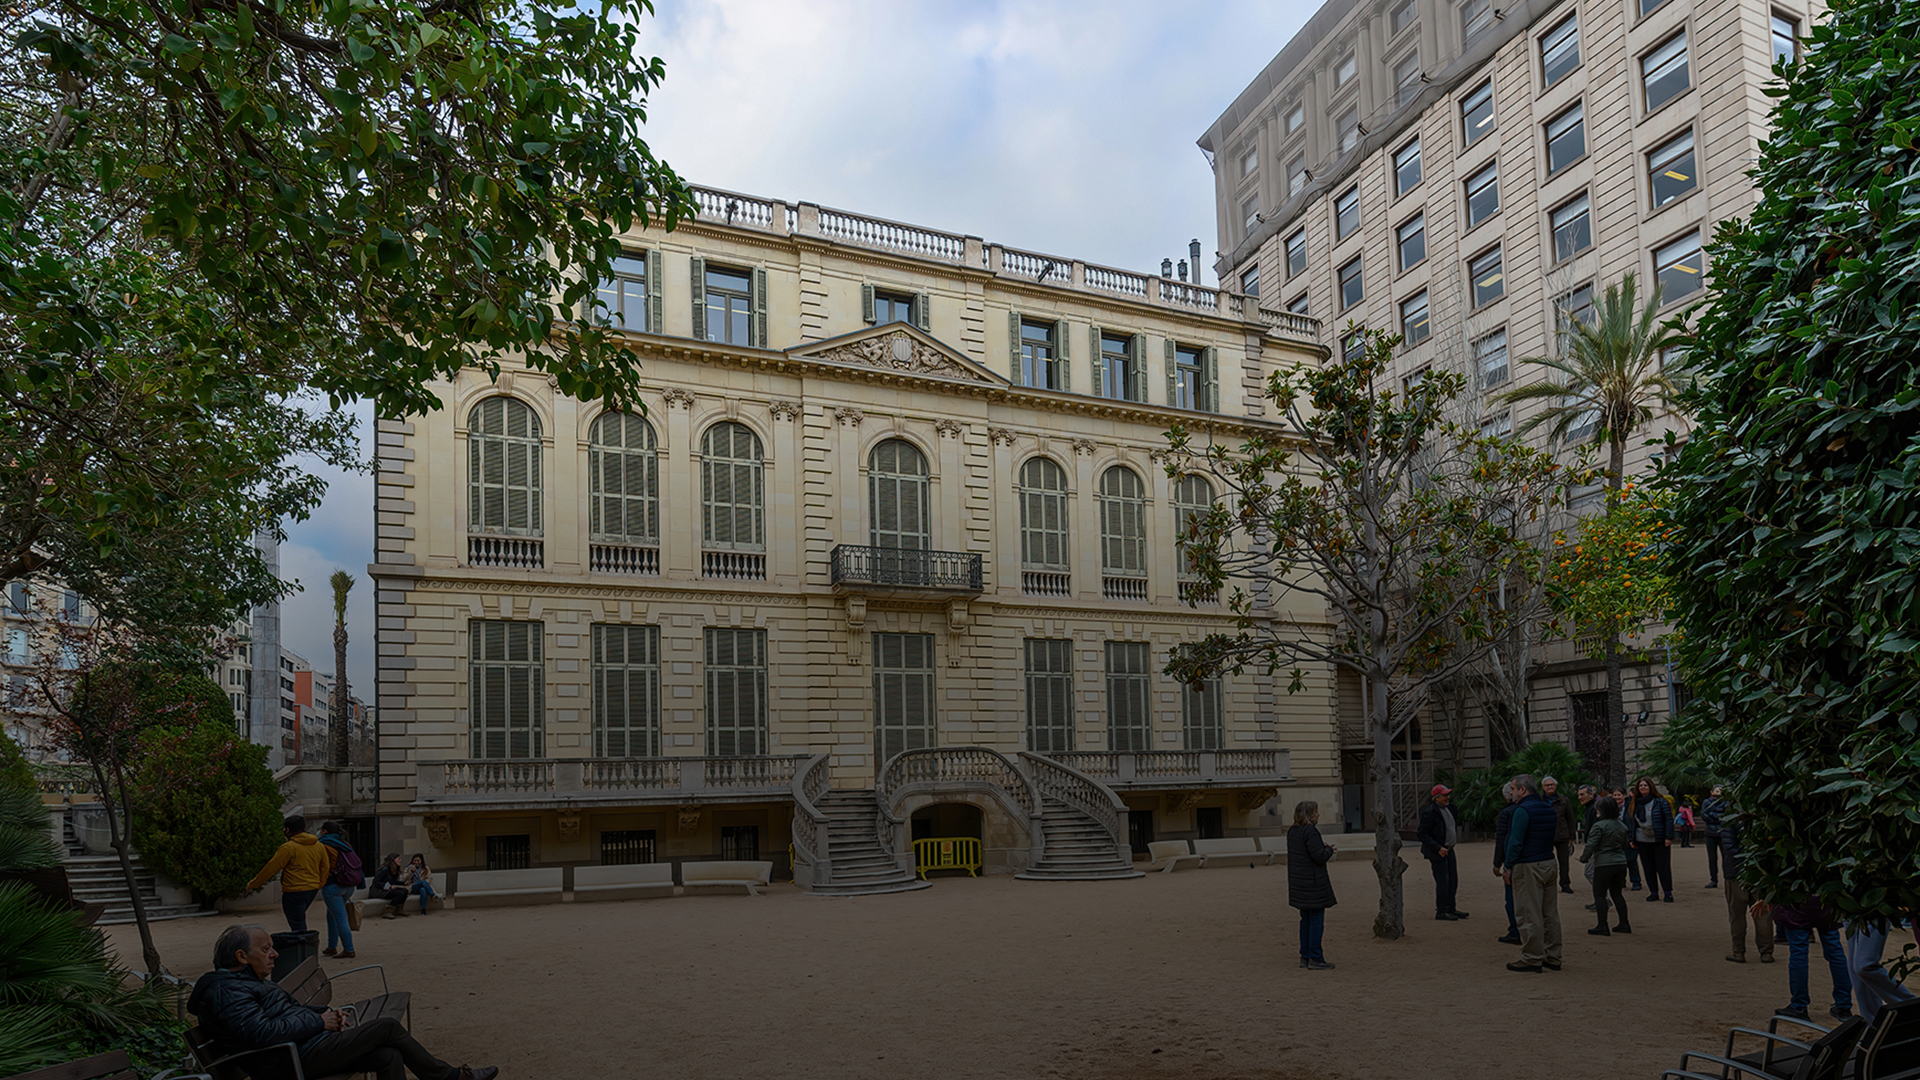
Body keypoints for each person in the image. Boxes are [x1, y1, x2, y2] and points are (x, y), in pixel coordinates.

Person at [190, 924, 497, 1080]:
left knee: (388, 1056)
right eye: (266, 949)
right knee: (387, 1027)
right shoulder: (224, 992)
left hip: (301, 1049)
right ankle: (452, 1077)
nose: (275, 954)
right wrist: (318, 1021)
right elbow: (260, 1033)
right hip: (286, 1062)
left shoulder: (243, 983)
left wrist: (323, 1012)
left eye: (273, 947)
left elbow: (282, 1014)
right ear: (241, 957)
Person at [1501, 773, 1563, 973]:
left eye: (1513, 788)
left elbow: (1515, 842)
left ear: (1522, 789)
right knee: (1549, 913)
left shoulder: (1522, 810)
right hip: (1548, 862)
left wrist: (1508, 866)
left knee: (1529, 914)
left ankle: (1532, 957)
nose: (1511, 792)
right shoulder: (1548, 808)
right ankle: (1553, 956)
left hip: (1528, 865)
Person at [245, 815, 335, 934]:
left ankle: (303, 950)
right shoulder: (318, 845)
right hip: (312, 888)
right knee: (299, 919)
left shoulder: (288, 847)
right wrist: (319, 884)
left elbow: (271, 869)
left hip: (294, 890)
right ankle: (303, 948)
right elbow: (325, 867)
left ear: (287, 830)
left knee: (297, 925)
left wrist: (253, 884)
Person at [1770, 897, 1854, 1021]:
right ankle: (1843, 1006)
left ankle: (1799, 1006)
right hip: (1825, 903)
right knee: (1835, 953)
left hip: (1797, 905)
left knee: (1798, 954)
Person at [1286, 801, 1337, 970]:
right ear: (1309, 815)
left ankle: (1305, 955)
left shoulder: (1293, 832)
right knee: (1316, 920)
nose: (1318, 815)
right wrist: (1329, 850)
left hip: (1299, 883)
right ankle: (1315, 957)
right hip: (1313, 883)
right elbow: (1319, 857)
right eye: (1315, 812)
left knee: (1305, 920)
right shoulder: (1311, 832)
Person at [1720, 812, 1774, 964]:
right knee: (1763, 914)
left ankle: (1738, 952)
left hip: (1735, 873)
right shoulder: (1764, 816)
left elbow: (1729, 847)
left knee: (1736, 915)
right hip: (1760, 871)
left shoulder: (1729, 819)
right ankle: (1766, 952)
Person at [1579, 795, 1631, 936]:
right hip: (1620, 862)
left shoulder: (1599, 826)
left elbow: (1591, 845)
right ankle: (1624, 923)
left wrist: (1584, 858)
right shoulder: (1622, 825)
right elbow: (1624, 844)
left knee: (1600, 894)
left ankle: (1602, 925)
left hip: (1604, 863)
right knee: (1617, 893)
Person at [1846, 921, 1918, 1023]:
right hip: (1849, 913)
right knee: (1855, 968)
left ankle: (1910, 1005)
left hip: (1874, 911)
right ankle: (1873, 1023)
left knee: (1864, 965)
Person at [1417, 784, 1468, 921]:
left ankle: (1451, 908)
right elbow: (1422, 833)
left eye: (1448, 794)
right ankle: (1442, 911)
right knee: (1443, 882)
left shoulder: (1449, 809)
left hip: (1450, 850)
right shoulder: (1430, 812)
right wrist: (1437, 847)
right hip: (1439, 852)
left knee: (1453, 881)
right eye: (1444, 795)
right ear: (1436, 797)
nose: (1448, 797)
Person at [316, 822, 360, 960]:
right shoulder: (345, 844)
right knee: (332, 915)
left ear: (324, 831)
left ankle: (349, 949)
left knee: (340, 918)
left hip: (332, 885)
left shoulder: (323, 844)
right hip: (348, 885)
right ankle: (331, 946)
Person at [1629, 777, 1676, 902]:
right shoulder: (1635, 803)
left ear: (1651, 787)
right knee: (1648, 867)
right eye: (1640, 786)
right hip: (1642, 839)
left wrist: (1668, 837)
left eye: (1645, 785)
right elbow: (1632, 823)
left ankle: (1667, 892)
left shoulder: (1660, 802)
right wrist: (1632, 839)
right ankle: (1653, 892)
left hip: (1659, 839)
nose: (1643, 787)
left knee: (1663, 867)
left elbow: (1668, 819)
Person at [1491, 782, 1521, 945]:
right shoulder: (1528, 809)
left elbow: (1501, 839)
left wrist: (1497, 864)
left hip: (1513, 861)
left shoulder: (1506, 813)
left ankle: (1515, 930)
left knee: (1511, 898)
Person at [1543, 776, 1577, 895]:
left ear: (1556, 786)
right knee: (1545, 862)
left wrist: (1571, 836)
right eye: (1547, 785)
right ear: (1543, 787)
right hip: (1545, 835)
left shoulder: (1564, 799)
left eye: (1552, 784)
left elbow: (1570, 818)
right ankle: (1545, 883)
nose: (1550, 787)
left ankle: (1565, 883)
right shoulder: (1539, 800)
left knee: (1564, 862)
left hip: (1562, 835)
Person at [1613, 787, 1644, 892]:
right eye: (1615, 795)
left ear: (1624, 796)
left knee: (1631, 860)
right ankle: (1620, 881)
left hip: (1629, 836)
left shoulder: (1630, 807)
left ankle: (1636, 882)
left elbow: (1632, 822)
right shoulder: (1611, 808)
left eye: (1619, 795)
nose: (1617, 797)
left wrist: (1632, 838)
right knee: (1618, 862)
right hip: (1616, 838)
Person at [1700, 786, 1729, 889]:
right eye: (1716, 790)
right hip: (1710, 833)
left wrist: (1713, 815)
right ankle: (1713, 879)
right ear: (1711, 791)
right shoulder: (1706, 802)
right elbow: (1704, 815)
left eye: (1720, 790)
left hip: (1722, 833)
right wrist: (1717, 818)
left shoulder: (1726, 802)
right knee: (1712, 858)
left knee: (1726, 857)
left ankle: (1727, 878)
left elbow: (1727, 815)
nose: (1718, 792)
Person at [371, 855, 410, 919]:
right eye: (398, 859)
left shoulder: (394, 870)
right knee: (399, 893)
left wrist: (404, 883)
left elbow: (393, 882)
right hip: (378, 890)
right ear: (393, 860)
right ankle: (388, 912)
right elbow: (376, 881)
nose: (400, 860)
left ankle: (399, 909)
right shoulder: (384, 869)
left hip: (387, 889)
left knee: (405, 891)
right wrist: (389, 886)